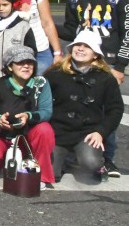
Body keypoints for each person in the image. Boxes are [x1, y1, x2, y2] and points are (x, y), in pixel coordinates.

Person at [62, 0, 129, 176]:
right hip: (81, 59)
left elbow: (127, 32)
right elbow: (71, 30)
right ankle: (76, 154)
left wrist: (120, 66)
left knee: (106, 109)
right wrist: (43, 25)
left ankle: (107, 158)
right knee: (80, 105)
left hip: (108, 62)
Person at [46, 30, 124, 182]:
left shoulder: (106, 78)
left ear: (95, 54)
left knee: (91, 166)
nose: (80, 49)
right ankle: (63, 159)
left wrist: (101, 132)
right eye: (78, 45)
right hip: (58, 132)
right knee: (51, 175)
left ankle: (80, 159)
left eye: (87, 47)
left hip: (87, 133)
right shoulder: (54, 73)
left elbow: (115, 109)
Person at [0, 45, 56, 188]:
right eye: (20, 63)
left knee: (45, 129)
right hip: (2, 135)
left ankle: (41, 176)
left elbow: (47, 111)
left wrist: (29, 116)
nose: (26, 66)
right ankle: (2, 166)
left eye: (30, 62)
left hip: (28, 136)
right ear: (10, 67)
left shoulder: (42, 83)